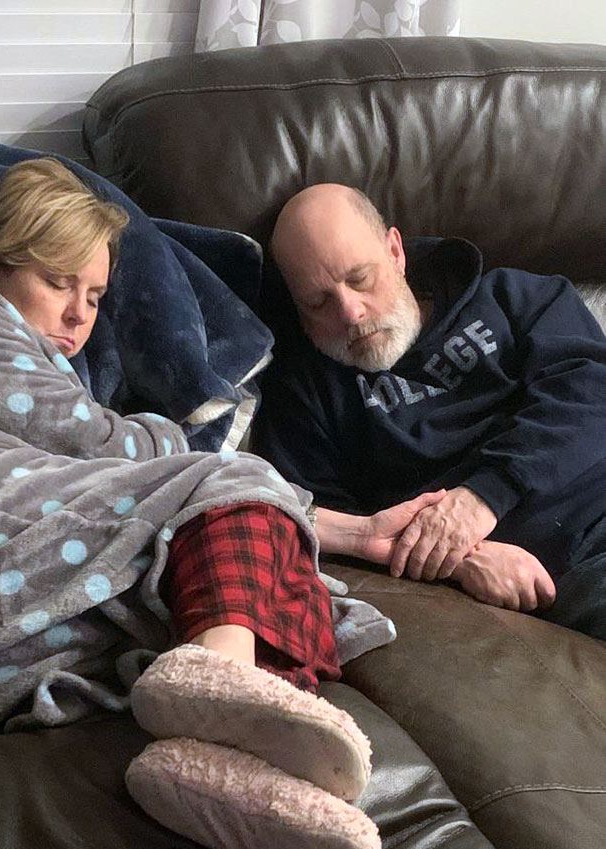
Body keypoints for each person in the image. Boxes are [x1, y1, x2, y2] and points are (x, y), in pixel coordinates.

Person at [0, 158, 444, 849]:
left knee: (234, 577)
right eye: (58, 282)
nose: (80, 316)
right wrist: (179, 438)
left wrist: (349, 531)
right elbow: (96, 445)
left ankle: (220, 765)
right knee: (231, 488)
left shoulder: (37, 352)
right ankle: (218, 682)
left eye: (95, 296)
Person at [253, 183, 606, 639]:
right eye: (319, 302)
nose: (350, 312)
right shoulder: (304, 395)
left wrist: (484, 497)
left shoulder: (513, 297)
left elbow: (591, 397)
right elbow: (324, 526)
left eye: (360, 278)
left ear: (395, 252)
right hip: (565, 570)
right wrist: (462, 557)